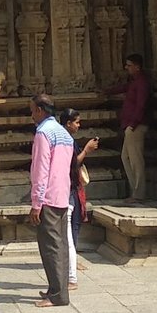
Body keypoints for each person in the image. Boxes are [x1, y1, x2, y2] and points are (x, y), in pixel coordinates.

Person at [28, 93, 74, 308]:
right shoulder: (64, 133)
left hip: (48, 197)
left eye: (32, 110)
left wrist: (36, 203)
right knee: (60, 244)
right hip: (62, 194)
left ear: (40, 110)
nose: (31, 115)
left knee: (50, 247)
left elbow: (41, 169)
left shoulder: (43, 133)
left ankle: (57, 295)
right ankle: (57, 288)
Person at [106, 54, 150, 201]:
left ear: (137, 67)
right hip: (130, 125)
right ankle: (135, 191)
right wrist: (107, 91)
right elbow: (123, 88)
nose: (127, 68)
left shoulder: (142, 83)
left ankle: (139, 194)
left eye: (129, 65)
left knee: (136, 160)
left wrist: (133, 123)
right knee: (125, 157)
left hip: (135, 126)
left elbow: (141, 105)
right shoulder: (134, 82)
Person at [62, 108, 96, 290]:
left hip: (73, 188)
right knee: (70, 231)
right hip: (68, 189)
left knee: (74, 227)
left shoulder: (67, 140)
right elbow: (73, 163)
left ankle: (71, 268)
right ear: (68, 123)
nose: (78, 125)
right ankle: (71, 274)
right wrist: (87, 150)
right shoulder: (66, 141)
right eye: (76, 122)